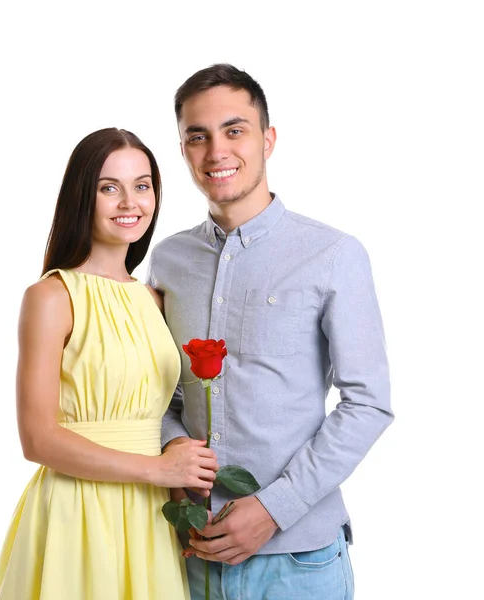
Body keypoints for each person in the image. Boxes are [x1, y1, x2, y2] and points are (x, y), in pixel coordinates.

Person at [147, 64, 394, 599]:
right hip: (187, 555)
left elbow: (368, 404)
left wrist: (272, 508)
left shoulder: (334, 255)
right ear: (183, 149)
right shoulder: (167, 261)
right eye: (198, 136)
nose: (217, 152)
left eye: (235, 130)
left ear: (268, 139)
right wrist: (175, 455)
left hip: (298, 562)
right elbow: (160, 394)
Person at [0, 128, 219, 600]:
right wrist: (159, 471)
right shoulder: (51, 297)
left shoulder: (153, 299)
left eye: (142, 185)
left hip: (150, 516)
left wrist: (180, 496)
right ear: (82, 195)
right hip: (78, 510)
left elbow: (161, 414)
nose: (129, 202)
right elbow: (37, 439)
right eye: (108, 187)